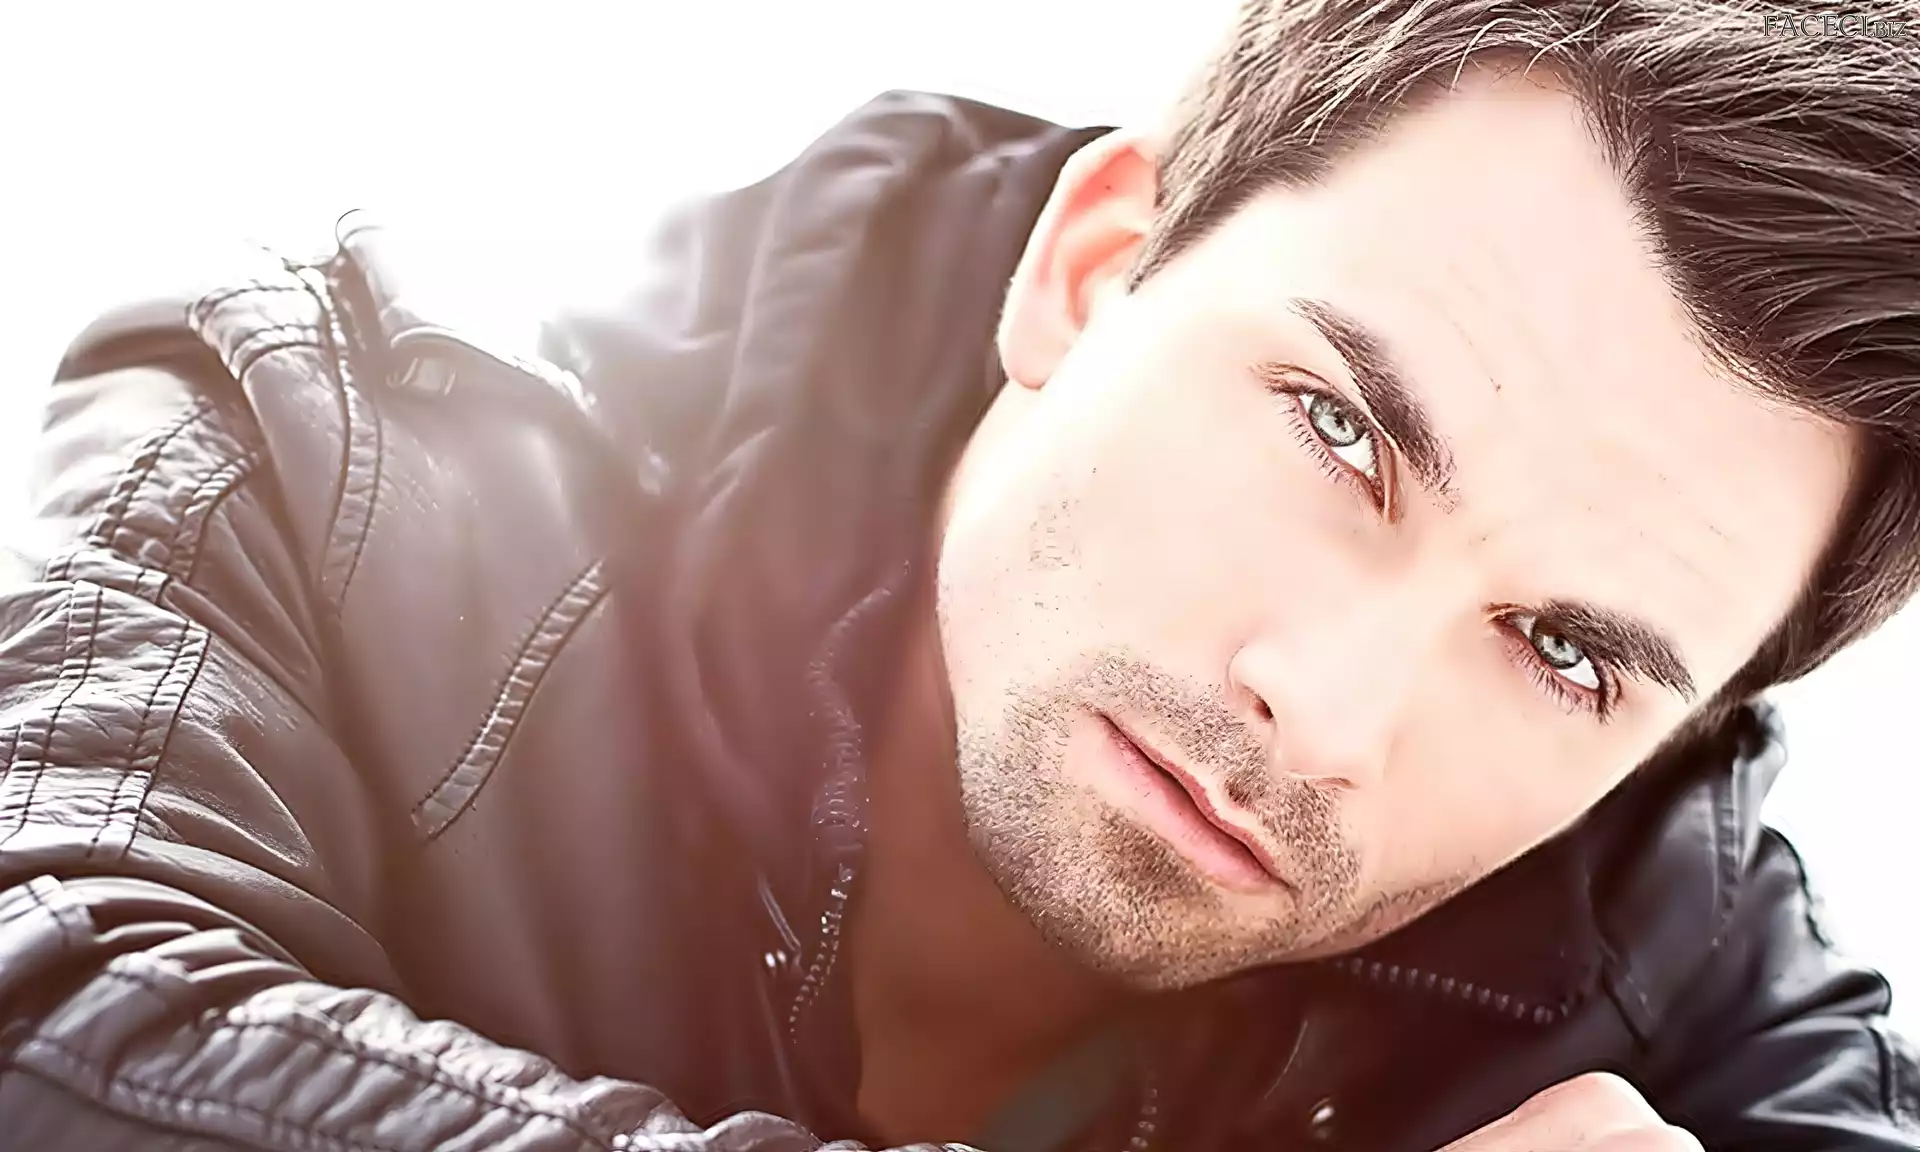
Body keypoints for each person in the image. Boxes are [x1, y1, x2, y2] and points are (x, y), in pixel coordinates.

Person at [2, 1, 1917, 1148]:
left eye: (1565, 650)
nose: (1325, 709)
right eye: (1339, 431)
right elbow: (47, 1027)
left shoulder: (1669, 959)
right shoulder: (321, 445)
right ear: (1097, 266)